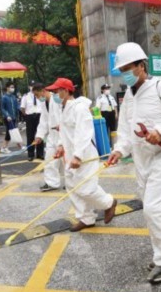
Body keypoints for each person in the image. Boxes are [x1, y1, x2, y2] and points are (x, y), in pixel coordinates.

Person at [107, 42, 161, 284]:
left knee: (154, 207)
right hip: (141, 158)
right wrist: (118, 150)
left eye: (128, 67)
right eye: (121, 69)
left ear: (141, 65)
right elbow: (125, 129)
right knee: (151, 208)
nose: (124, 73)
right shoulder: (128, 97)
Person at [52, 77, 117, 232]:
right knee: (73, 188)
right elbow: (65, 131)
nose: (54, 94)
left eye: (57, 91)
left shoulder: (79, 108)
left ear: (66, 91)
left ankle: (109, 203)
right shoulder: (64, 107)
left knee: (86, 188)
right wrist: (61, 146)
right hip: (69, 155)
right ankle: (86, 218)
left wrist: (78, 155)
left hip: (84, 156)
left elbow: (84, 133)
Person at [34, 83, 65, 191]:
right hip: (52, 136)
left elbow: (64, 114)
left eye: (38, 95)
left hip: (62, 134)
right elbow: (43, 120)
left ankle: (72, 182)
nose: (38, 98)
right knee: (49, 159)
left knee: (66, 160)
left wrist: (62, 126)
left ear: (43, 91)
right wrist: (39, 136)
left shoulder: (57, 99)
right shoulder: (44, 104)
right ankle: (52, 183)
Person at [20, 82, 45, 161]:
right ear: (29, 87)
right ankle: (30, 154)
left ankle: (40, 154)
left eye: (34, 86)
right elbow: (22, 108)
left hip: (39, 115)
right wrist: (26, 116)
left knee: (40, 135)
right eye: (31, 86)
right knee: (30, 136)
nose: (32, 87)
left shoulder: (41, 95)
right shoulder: (26, 96)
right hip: (30, 116)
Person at [0, 82, 22, 154]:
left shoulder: (13, 97)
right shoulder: (4, 97)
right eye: (11, 87)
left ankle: (19, 146)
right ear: (7, 88)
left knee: (14, 131)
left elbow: (17, 106)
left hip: (14, 117)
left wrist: (21, 109)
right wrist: (7, 115)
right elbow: (2, 108)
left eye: (13, 87)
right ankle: (4, 147)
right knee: (9, 133)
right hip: (8, 118)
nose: (13, 88)